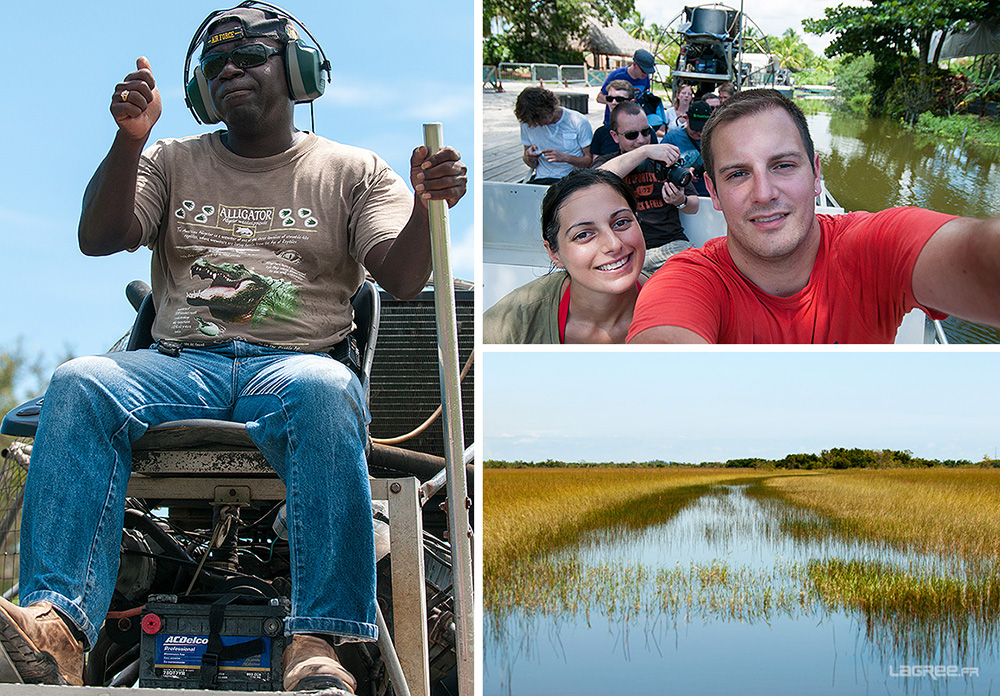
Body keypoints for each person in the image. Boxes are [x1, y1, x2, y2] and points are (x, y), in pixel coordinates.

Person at [0, 5, 466, 692]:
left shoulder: (353, 170)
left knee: (329, 390)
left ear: (300, 72)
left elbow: (399, 278)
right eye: (215, 66)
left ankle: (314, 641)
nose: (230, 71)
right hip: (179, 365)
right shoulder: (168, 160)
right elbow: (99, 238)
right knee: (79, 379)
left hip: (297, 366)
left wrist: (431, 210)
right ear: (198, 91)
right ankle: (57, 629)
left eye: (248, 56)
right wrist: (130, 141)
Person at [627, 89, 1000, 344]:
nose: (764, 193)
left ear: (816, 173)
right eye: (738, 174)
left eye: (784, 165)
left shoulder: (874, 247)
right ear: (713, 191)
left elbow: (977, 256)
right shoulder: (690, 279)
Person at [484, 169, 645, 344]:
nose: (614, 244)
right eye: (583, 235)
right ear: (554, 253)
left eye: (621, 222)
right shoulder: (511, 323)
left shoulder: (676, 305)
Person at [594, 102, 699, 274]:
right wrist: (644, 152)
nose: (641, 140)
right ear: (615, 136)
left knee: (695, 275)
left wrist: (681, 201)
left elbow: (694, 206)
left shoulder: (664, 161)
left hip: (669, 245)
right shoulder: (607, 163)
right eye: (631, 135)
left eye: (645, 132)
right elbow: (595, 181)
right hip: (624, 251)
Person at [515, 86, 593, 185]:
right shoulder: (528, 123)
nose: (540, 125)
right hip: (542, 178)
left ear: (551, 108)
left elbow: (589, 161)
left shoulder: (577, 121)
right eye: (536, 123)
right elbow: (530, 163)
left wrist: (564, 157)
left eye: (543, 119)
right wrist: (529, 157)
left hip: (572, 180)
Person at [663, 100, 712, 196]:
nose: (700, 133)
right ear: (686, 119)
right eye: (695, 128)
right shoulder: (672, 138)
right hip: (684, 195)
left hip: (709, 195)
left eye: (703, 129)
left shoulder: (716, 138)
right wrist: (684, 172)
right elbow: (659, 168)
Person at [597, 49, 656, 124]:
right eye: (644, 71)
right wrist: (616, 100)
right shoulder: (616, 75)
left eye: (648, 72)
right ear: (634, 65)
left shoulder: (645, 78)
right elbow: (599, 97)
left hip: (632, 121)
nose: (646, 75)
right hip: (613, 122)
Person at [590, 80, 633, 157]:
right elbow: (595, 164)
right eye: (610, 99)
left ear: (632, 102)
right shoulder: (600, 133)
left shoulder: (645, 132)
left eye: (619, 99)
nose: (613, 102)